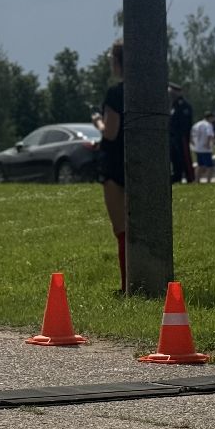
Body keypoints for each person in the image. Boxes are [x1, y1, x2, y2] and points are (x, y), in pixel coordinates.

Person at [91, 40, 127, 291]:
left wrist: (97, 122)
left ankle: (127, 283)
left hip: (115, 163)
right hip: (140, 161)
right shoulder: (151, 91)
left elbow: (111, 132)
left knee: (121, 228)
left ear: (117, 62)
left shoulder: (115, 94)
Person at [168, 83, 196, 184]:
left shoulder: (184, 105)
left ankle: (190, 177)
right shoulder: (173, 105)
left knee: (185, 156)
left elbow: (185, 122)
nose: (171, 93)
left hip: (182, 136)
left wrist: (183, 134)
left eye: (173, 91)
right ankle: (177, 176)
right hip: (173, 136)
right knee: (175, 158)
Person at [191, 109, 215, 183]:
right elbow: (209, 135)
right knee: (210, 167)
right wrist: (209, 143)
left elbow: (192, 135)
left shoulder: (197, 124)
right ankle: (208, 181)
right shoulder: (208, 125)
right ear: (210, 117)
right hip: (205, 148)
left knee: (200, 165)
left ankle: (197, 180)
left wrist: (193, 143)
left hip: (197, 148)